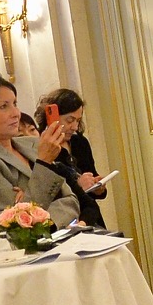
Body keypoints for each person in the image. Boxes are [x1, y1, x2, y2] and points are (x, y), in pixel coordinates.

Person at [0, 70, 83, 227]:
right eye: (4, 106)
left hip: (61, 235)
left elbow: (71, 200)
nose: (16, 113)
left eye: (14, 104)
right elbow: (19, 222)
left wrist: (32, 202)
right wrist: (43, 163)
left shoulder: (32, 144)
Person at [40, 88, 111, 228]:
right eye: (69, 120)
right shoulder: (43, 149)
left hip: (89, 214)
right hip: (64, 220)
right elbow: (48, 193)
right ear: (53, 117)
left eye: (78, 121)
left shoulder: (80, 143)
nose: (74, 127)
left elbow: (91, 174)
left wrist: (98, 187)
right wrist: (79, 185)